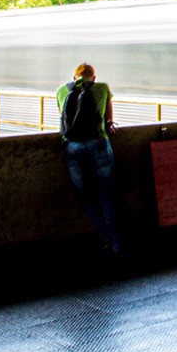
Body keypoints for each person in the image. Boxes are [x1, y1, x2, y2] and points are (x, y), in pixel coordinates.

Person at [57, 62, 123, 255]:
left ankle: (103, 235)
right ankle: (116, 243)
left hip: (73, 146)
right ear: (93, 78)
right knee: (108, 194)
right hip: (98, 143)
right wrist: (109, 122)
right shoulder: (102, 88)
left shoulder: (62, 90)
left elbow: (64, 120)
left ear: (74, 77)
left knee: (86, 196)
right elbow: (106, 115)